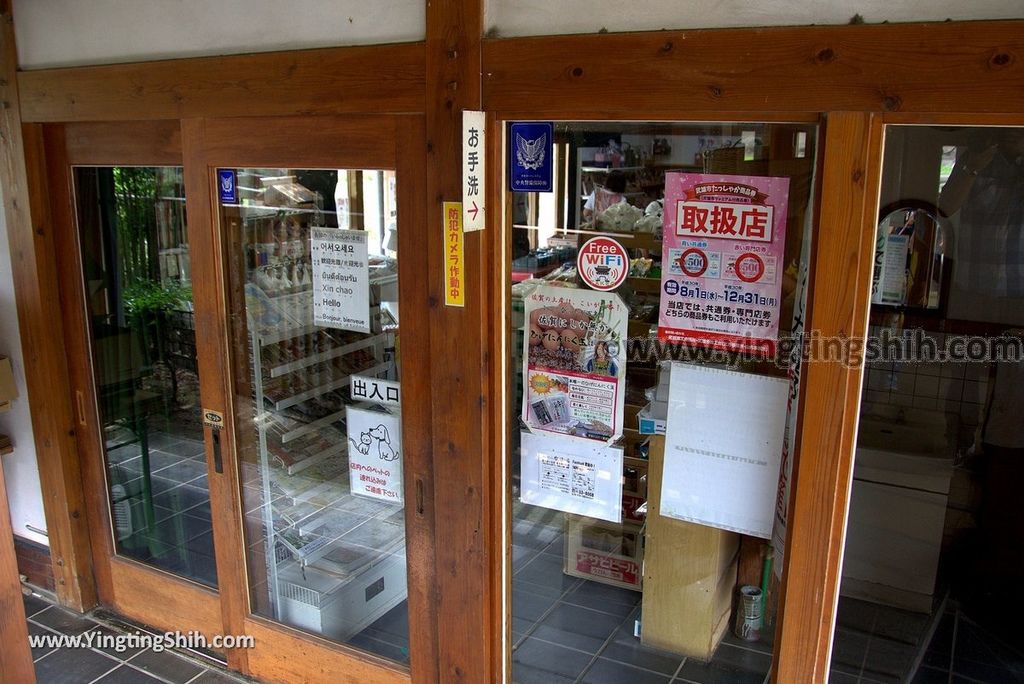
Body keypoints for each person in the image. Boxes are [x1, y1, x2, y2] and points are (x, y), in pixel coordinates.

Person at [937, 128, 1024, 627]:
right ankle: (961, 477)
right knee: (960, 396)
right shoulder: (978, 161)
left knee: (1009, 423)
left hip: (1018, 301)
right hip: (970, 295)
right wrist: (976, 160)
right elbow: (943, 210)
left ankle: (993, 537)